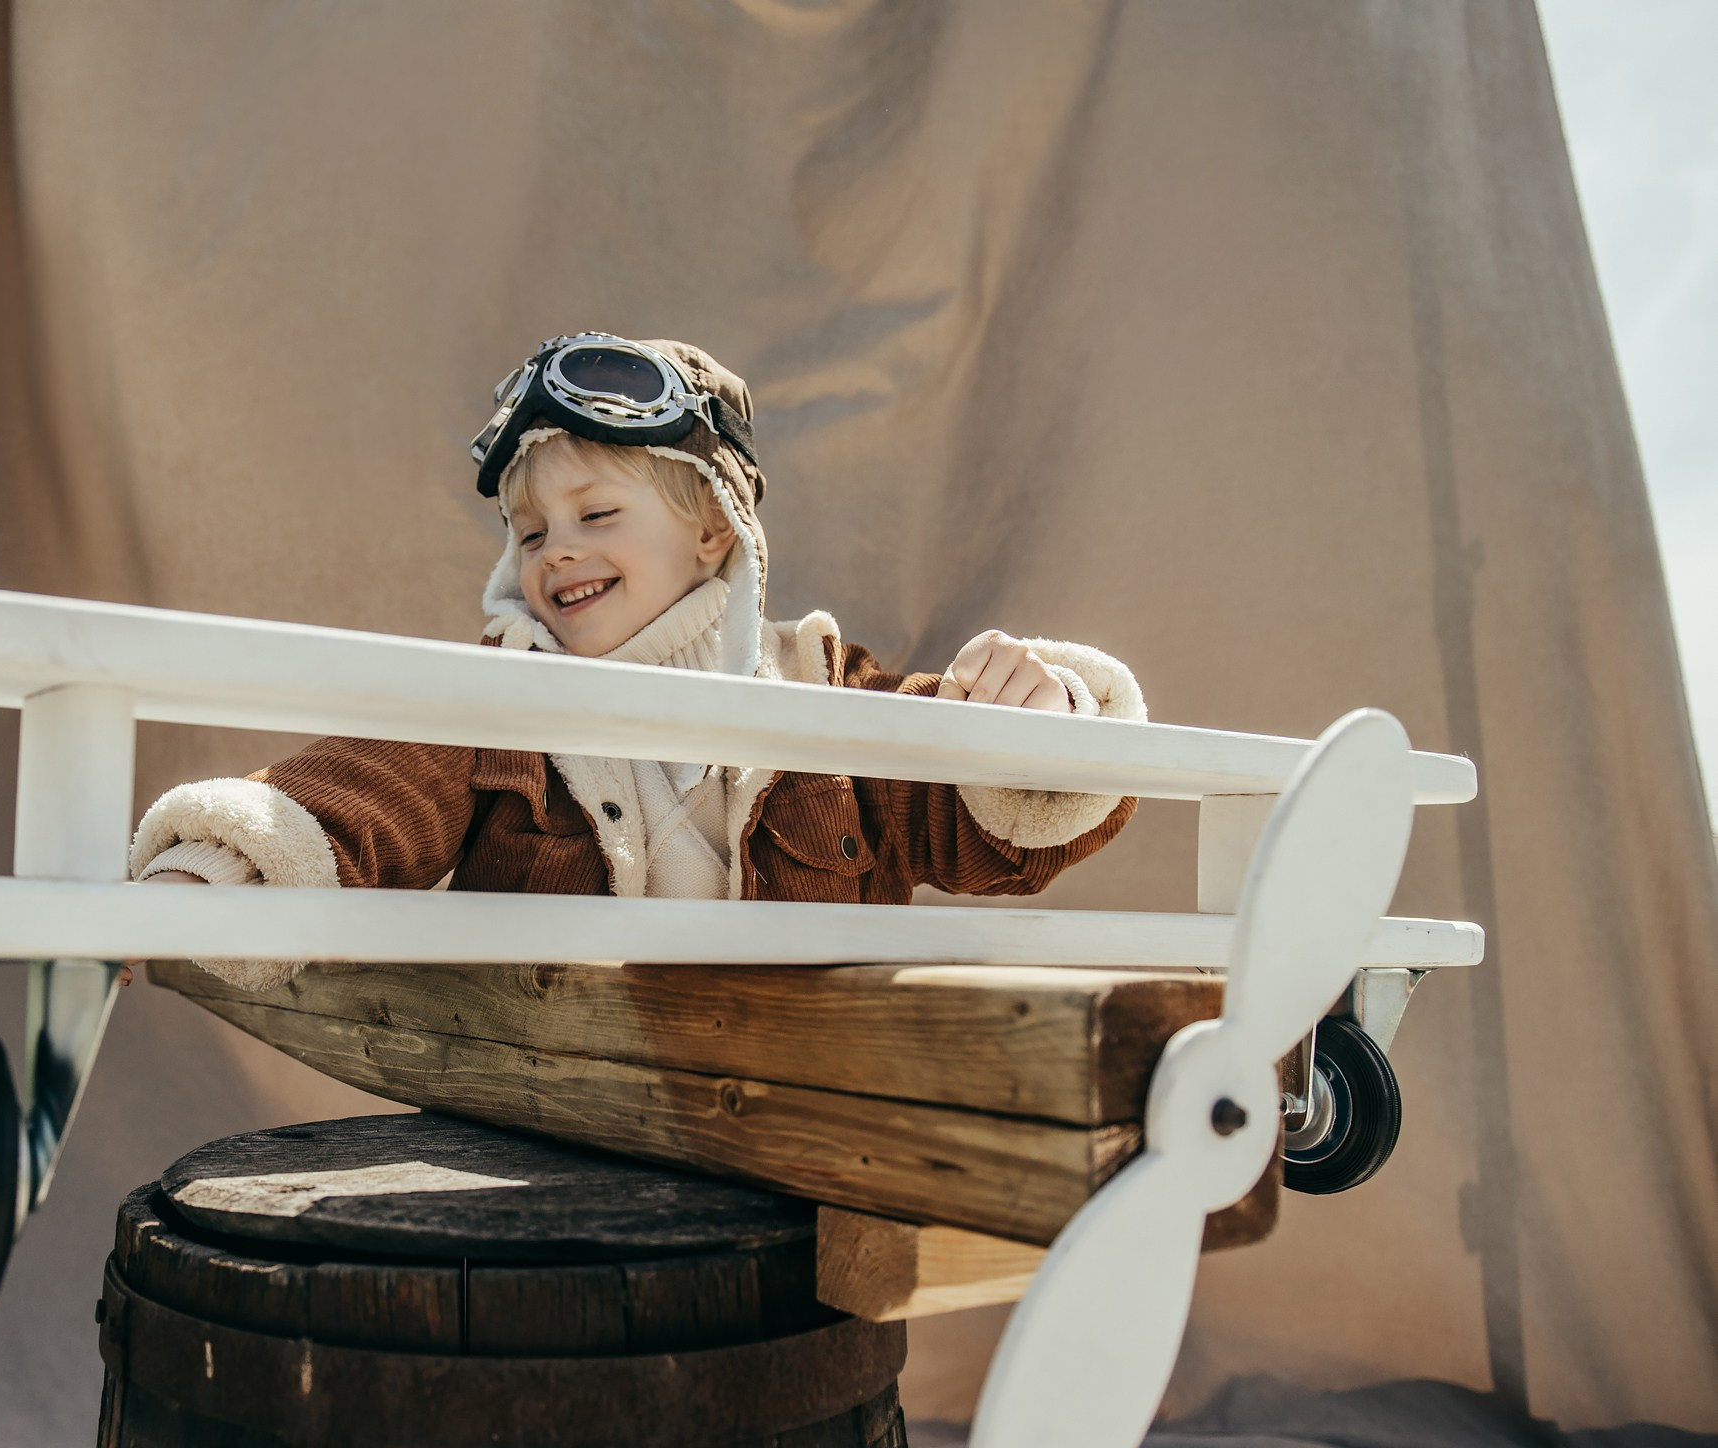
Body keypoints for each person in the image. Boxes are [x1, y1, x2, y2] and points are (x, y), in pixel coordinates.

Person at [128, 334, 1144, 989]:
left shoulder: (824, 697)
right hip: (551, 1138)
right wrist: (205, 872)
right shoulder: (498, 711)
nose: (557, 549)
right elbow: (357, 791)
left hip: (796, 1140)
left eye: (598, 514)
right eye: (530, 535)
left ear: (715, 537)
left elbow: (987, 834)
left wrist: (1037, 722)